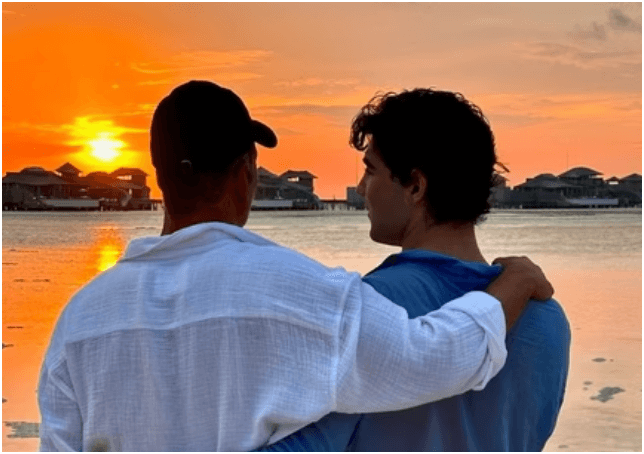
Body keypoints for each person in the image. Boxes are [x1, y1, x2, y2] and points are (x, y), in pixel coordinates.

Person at [38, 81, 555, 452]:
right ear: (247, 173)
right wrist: (515, 282)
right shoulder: (299, 290)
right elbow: (432, 357)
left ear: (159, 175)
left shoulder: (79, 321)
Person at [258, 89, 571, 452]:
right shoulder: (549, 321)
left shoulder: (369, 310)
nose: (360, 189)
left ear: (415, 186)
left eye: (371, 171)